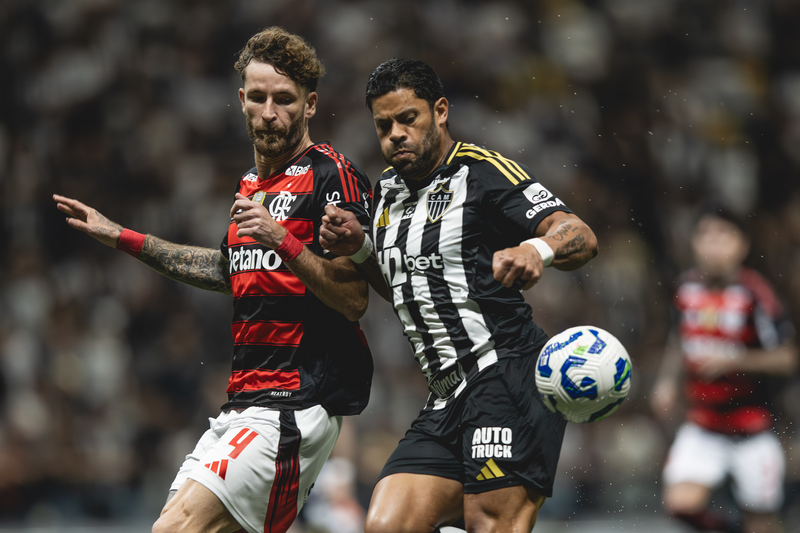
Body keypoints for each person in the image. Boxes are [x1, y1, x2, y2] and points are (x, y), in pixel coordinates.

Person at [53, 27, 373, 533]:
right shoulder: (251, 184)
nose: (270, 112)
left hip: (294, 401)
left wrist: (282, 239)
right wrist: (124, 238)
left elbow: (354, 298)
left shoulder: (331, 174)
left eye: (285, 99)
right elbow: (229, 272)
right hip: (242, 402)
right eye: (259, 97)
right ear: (242, 100)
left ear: (310, 105)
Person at [320, 58, 599, 533]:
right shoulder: (385, 193)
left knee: (489, 522)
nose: (396, 134)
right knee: (386, 525)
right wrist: (362, 248)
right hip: (445, 395)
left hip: (507, 375)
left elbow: (581, 235)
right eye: (384, 125)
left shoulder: (482, 172)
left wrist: (536, 249)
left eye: (408, 118)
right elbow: (405, 288)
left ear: (441, 111)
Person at [650, 207, 797, 533]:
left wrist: (735, 360)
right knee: (680, 505)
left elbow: (787, 357)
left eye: (723, 235)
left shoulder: (756, 293)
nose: (713, 244)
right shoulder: (686, 289)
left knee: (761, 523)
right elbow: (679, 339)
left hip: (752, 429)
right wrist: (667, 382)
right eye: (706, 235)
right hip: (704, 425)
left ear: (742, 245)